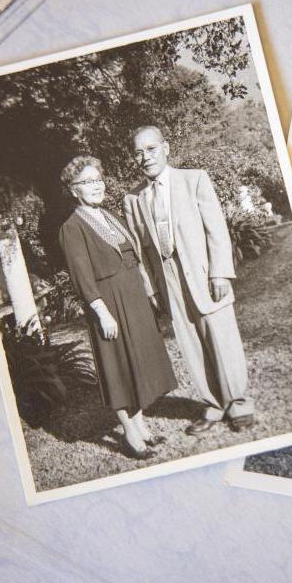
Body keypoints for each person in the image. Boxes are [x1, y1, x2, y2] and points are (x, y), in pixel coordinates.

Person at [122, 126, 254, 435]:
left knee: (221, 336)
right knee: (190, 340)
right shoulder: (133, 199)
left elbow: (216, 229)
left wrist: (220, 271)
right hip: (168, 280)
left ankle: (238, 403)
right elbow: (140, 250)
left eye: (151, 149)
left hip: (204, 272)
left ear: (166, 148)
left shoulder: (194, 179)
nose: (145, 157)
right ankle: (213, 405)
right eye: (139, 152)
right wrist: (151, 287)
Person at [58, 155, 177, 460]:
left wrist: (149, 293)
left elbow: (133, 257)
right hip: (108, 302)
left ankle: (141, 426)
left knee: (134, 363)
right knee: (117, 367)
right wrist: (101, 312)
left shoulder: (109, 216)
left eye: (98, 179)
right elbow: (82, 276)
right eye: (87, 182)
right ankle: (129, 433)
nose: (96, 186)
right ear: (74, 190)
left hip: (133, 298)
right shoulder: (72, 228)